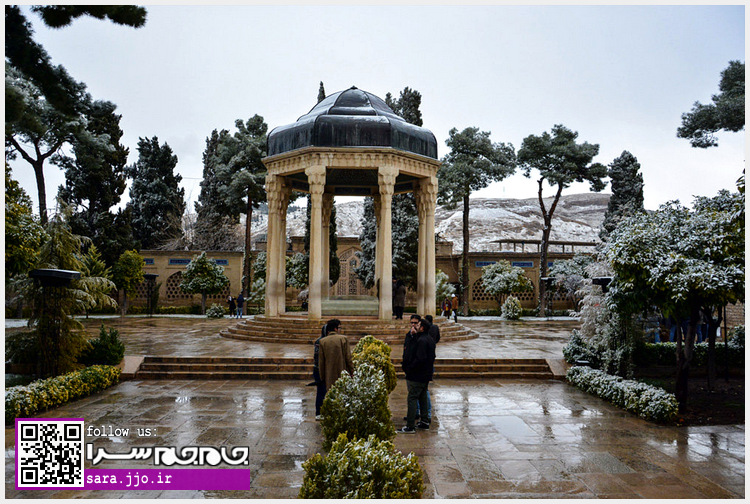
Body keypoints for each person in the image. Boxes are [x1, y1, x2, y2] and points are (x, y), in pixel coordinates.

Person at [399, 318, 436, 433]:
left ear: (422, 328)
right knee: (422, 396)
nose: (415, 326)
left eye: (418, 325)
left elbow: (420, 358)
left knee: (412, 397)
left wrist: (410, 368)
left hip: (417, 374)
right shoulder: (429, 339)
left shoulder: (422, 341)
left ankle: (410, 425)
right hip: (425, 374)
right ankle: (424, 421)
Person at [318, 318, 354, 400]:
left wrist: (322, 377)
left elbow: (321, 362)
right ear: (335, 329)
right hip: (342, 372)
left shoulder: (323, 341)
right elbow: (348, 357)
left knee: (331, 397)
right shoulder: (343, 339)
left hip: (329, 375)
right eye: (339, 327)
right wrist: (352, 371)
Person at [312, 323, 329, 419]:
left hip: (321, 369)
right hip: (319, 370)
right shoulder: (321, 341)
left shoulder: (323, 340)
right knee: (321, 391)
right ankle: (319, 412)